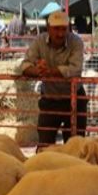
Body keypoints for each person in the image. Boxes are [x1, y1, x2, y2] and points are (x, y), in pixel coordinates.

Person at [19, 10, 86, 146]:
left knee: (76, 146)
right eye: (56, 29)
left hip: (73, 98)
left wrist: (48, 71)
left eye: (63, 29)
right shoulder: (39, 41)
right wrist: (37, 71)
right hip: (50, 99)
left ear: (68, 28)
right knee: (44, 143)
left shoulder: (76, 42)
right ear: (48, 28)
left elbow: (75, 69)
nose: (60, 34)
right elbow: (25, 65)